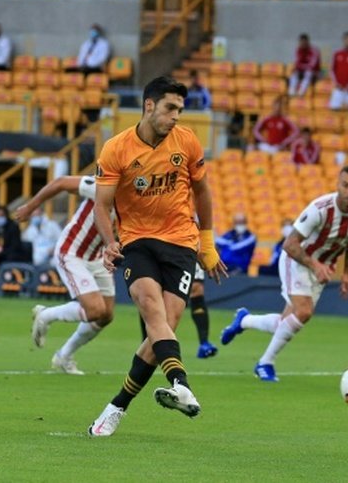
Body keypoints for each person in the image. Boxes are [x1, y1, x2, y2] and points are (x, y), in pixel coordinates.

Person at [87, 75, 228, 437]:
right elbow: (101, 207)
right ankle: (181, 383)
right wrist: (109, 241)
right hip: (138, 241)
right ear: (149, 106)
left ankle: (116, 406)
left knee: (161, 330)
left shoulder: (187, 143)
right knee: (152, 309)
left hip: (181, 243)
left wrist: (207, 244)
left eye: (180, 110)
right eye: (170, 108)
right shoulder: (116, 149)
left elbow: (203, 192)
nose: (176, 116)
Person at [220, 165, 348, 381]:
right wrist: (315, 265)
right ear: (337, 184)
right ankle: (265, 363)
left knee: (287, 321)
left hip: (321, 267)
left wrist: (347, 273)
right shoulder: (320, 209)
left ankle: (244, 321)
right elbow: (290, 244)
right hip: (297, 259)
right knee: (304, 312)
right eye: (346, 185)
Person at [16, 175, 115, 376]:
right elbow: (60, 182)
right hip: (72, 252)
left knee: (106, 315)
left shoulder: (141, 199)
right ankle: (46, 316)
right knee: (95, 310)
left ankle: (64, 356)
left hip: (97, 256)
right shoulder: (102, 185)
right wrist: (30, 207)